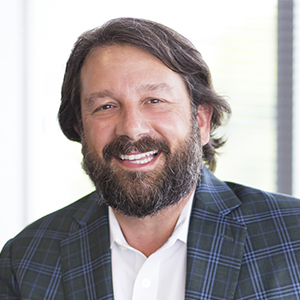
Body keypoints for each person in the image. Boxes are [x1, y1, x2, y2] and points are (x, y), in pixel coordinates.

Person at [1, 17, 300, 300]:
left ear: (202, 121)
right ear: (80, 128)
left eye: (154, 101)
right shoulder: (25, 260)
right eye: (106, 106)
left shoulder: (293, 236)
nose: (131, 128)